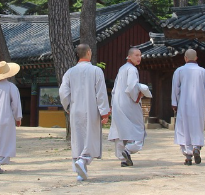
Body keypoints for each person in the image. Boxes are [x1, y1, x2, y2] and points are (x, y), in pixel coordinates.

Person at [59, 44, 110, 181]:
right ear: (88, 53)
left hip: (75, 109)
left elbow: (63, 92)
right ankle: (83, 161)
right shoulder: (96, 71)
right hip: (91, 109)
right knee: (90, 137)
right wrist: (104, 112)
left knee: (78, 138)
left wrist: (68, 106)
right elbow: (101, 93)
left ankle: (80, 172)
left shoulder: (70, 72)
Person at [171, 49, 205, 166]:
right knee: (197, 126)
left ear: (185, 58)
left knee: (184, 128)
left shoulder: (179, 71)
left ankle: (188, 155)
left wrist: (174, 103)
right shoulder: (203, 71)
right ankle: (196, 147)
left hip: (183, 104)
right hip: (198, 104)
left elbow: (175, 88)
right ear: (196, 58)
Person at [108, 47, 147, 167]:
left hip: (117, 103)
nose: (139, 57)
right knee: (139, 130)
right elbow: (131, 87)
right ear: (129, 56)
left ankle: (123, 159)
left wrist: (112, 105)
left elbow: (114, 89)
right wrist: (137, 96)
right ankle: (128, 150)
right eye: (136, 55)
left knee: (121, 130)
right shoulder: (132, 69)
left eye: (140, 55)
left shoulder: (122, 68)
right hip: (129, 103)